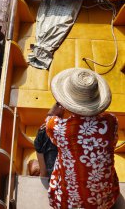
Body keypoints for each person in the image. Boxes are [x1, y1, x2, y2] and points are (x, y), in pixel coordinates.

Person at [45, 68, 119, 209]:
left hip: (70, 205)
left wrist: (58, 104)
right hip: (106, 202)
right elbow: (113, 142)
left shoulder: (58, 128)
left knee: (53, 149)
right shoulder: (112, 121)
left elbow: (49, 119)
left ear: (67, 102)